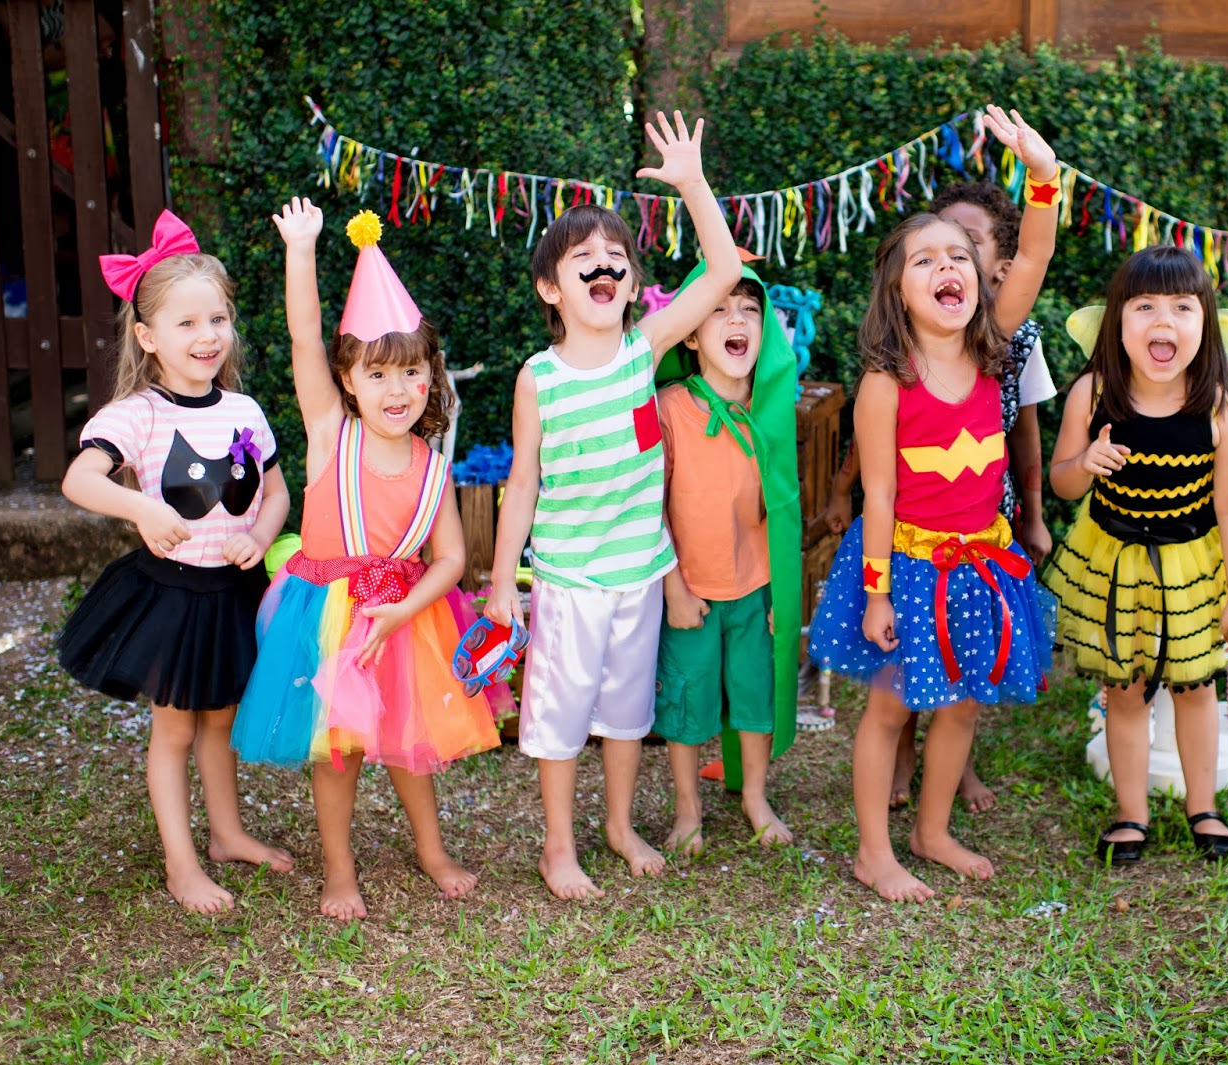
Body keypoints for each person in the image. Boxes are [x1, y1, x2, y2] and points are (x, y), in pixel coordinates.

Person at [483, 111, 742, 900]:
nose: (604, 267)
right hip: (568, 578)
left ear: (632, 282)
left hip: (640, 577)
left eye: (617, 258)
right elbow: (521, 481)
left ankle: (619, 823)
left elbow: (724, 269)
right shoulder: (540, 377)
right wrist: (501, 582)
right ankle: (557, 844)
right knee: (561, 719)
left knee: (628, 713)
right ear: (549, 288)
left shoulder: (647, 348)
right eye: (582, 259)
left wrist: (693, 184)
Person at [232, 200, 506, 920]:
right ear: (348, 378)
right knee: (338, 751)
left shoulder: (430, 465)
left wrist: (408, 608)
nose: (397, 390)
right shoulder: (331, 432)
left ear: (430, 379)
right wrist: (301, 249)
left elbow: (450, 558)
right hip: (327, 619)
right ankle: (339, 867)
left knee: (413, 746)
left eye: (412, 373)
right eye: (378, 374)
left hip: (408, 618)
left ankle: (431, 848)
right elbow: (301, 339)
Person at [806, 166, 1060, 901]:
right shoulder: (888, 383)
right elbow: (878, 494)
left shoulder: (993, 351)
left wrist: (1042, 180)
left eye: (958, 255)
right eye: (926, 259)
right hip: (909, 566)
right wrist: (878, 592)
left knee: (961, 702)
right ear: (897, 291)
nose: (948, 266)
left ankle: (932, 830)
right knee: (890, 707)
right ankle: (872, 852)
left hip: (983, 563)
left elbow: (1037, 256)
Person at [58, 210, 294, 914]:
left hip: (233, 589)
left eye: (216, 319)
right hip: (172, 594)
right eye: (186, 324)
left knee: (220, 718)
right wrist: (146, 511)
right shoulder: (141, 414)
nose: (205, 336)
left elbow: (277, 492)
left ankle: (226, 834)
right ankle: (181, 862)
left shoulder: (246, 410)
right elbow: (80, 480)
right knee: (176, 728)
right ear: (148, 337)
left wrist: (261, 534)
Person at [1040, 244, 1228, 863]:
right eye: (1144, 306)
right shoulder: (1093, 394)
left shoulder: (1218, 407)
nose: (1163, 322)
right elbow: (1059, 480)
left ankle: (1204, 806)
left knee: (1197, 687)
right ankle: (1132, 814)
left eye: (1181, 307)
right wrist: (1084, 464)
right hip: (1113, 565)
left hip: (1192, 569)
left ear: (1207, 323)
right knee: (1127, 689)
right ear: (1117, 320)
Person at [652, 258, 801, 855]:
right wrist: (672, 587)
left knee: (755, 692)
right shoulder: (668, 407)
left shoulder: (770, 413)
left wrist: (781, 596)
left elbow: (784, 511)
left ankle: (754, 797)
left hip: (755, 588)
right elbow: (650, 506)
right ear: (689, 332)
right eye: (718, 308)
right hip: (690, 587)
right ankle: (688, 807)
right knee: (687, 699)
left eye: (749, 310)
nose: (737, 319)